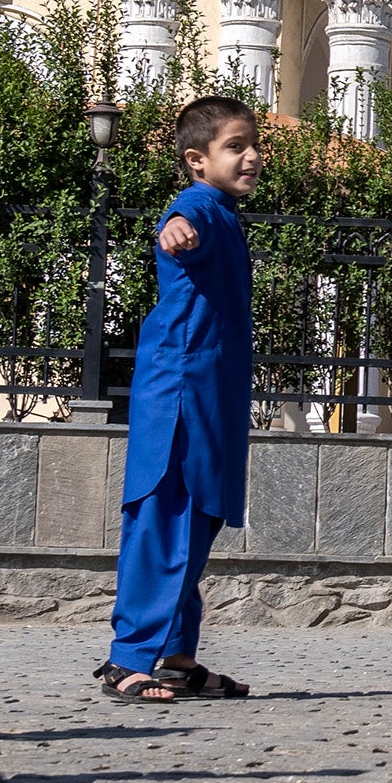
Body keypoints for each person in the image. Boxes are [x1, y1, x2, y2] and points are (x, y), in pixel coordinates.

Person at [97, 95, 261, 704]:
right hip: (182, 390)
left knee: (198, 518)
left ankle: (174, 658)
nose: (251, 157)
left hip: (210, 391)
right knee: (167, 515)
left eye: (254, 145)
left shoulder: (222, 210)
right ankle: (128, 660)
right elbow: (174, 227)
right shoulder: (197, 205)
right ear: (197, 160)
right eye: (235, 146)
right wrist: (173, 231)